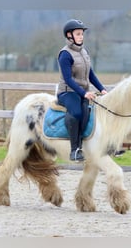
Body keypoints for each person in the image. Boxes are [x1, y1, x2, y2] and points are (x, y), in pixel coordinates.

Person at [56, 19, 107, 161]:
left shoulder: (84, 52)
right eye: (78, 34)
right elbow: (68, 79)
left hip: (83, 92)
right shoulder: (65, 54)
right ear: (69, 35)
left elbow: (90, 74)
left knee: (91, 113)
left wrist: (102, 89)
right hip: (67, 92)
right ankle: (74, 150)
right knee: (77, 113)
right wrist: (84, 93)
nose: (81, 37)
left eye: (82, 34)